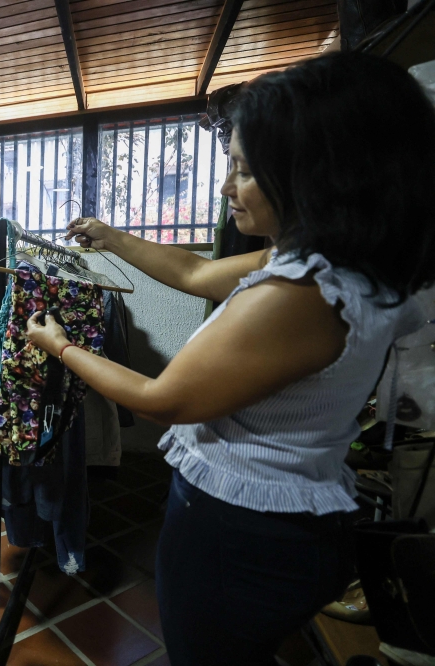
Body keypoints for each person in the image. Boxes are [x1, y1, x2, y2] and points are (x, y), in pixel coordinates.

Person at [25, 52, 435, 665]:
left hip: (243, 533)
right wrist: (108, 235)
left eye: (242, 169)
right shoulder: (336, 263)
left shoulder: (298, 295)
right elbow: (196, 270)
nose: (224, 187)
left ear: (312, 172)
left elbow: (160, 398)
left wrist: (59, 346)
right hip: (283, 526)